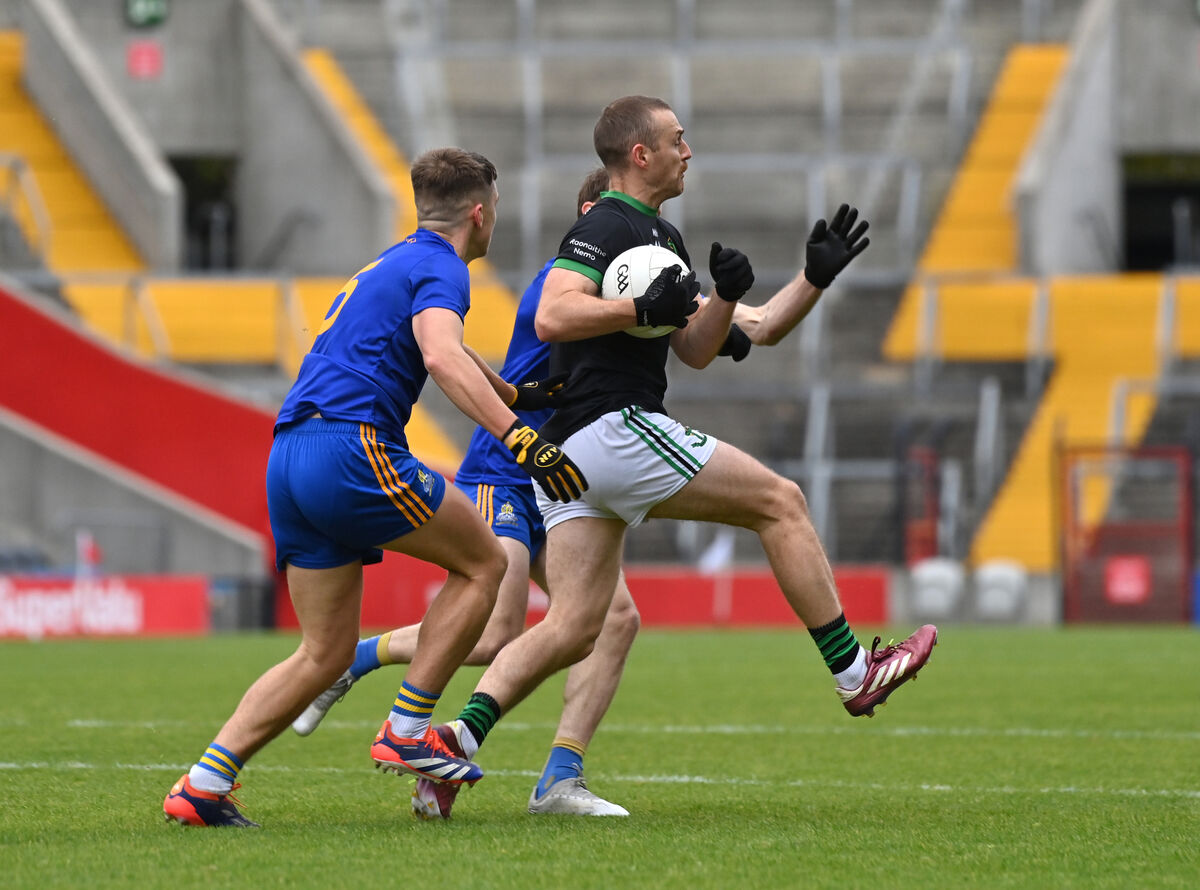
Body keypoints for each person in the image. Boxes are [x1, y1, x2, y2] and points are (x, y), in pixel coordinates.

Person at [412, 95, 938, 821]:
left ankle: (451, 744)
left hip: (571, 456)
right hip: (613, 429)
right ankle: (855, 672)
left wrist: (733, 293)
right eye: (677, 139)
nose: (688, 151)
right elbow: (553, 315)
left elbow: (693, 348)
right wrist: (642, 308)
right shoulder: (608, 223)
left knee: (577, 626)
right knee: (780, 501)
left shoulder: (660, 235)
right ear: (641, 154)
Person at [288, 167, 827, 819]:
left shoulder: (641, 281)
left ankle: (561, 778)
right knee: (495, 632)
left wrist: (814, 277)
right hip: (511, 469)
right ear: (593, 218)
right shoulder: (570, 284)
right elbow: (535, 331)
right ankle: (360, 661)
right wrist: (645, 309)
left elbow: (757, 325)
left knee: (613, 621)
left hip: (574, 476)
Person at [161, 147, 588, 828]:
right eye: (495, 210)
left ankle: (202, 784)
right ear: (480, 214)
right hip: (351, 447)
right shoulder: (445, 267)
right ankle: (408, 728)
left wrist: (512, 391)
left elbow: (434, 342)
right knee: (484, 563)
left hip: (290, 453)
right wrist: (519, 434)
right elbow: (440, 352)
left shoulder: (393, 261)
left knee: (323, 652)